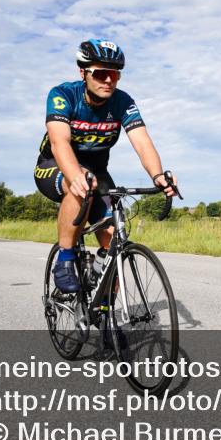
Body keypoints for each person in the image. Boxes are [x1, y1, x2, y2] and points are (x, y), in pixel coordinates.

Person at [35, 39, 177, 293]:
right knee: (80, 183)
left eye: (114, 74)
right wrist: (75, 175)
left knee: (114, 244)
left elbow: (142, 141)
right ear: (83, 72)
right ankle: (65, 258)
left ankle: (106, 315)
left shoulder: (122, 102)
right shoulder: (63, 95)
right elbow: (59, 142)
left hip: (98, 173)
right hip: (54, 165)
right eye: (101, 73)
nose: (109, 80)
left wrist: (158, 175)